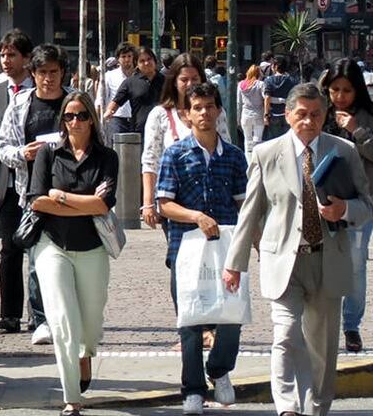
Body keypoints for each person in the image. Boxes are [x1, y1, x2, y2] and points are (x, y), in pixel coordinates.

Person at [225, 83, 373, 416]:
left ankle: (315, 408)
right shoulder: (267, 153)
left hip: (327, 261)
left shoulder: (344, 151)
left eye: (316, 115)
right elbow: (250, 211)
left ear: (325, 116)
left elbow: (366, 204)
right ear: (288, 115)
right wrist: (234, 263)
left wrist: (344, 210)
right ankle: (288, 407)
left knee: (321, 350)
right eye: (301, 114)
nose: (308, 122)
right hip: (283, 262)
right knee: (286, 335)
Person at [155, 83, 248, 414]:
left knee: (232, 316)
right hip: (185, 250)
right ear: (186, 114)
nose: (204, 113)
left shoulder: (235, 157)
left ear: (219, 110)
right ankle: (192, 389)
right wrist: (195, 216)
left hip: (227, 251)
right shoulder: (175, 155)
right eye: (197, 107)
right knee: (190, 322)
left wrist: (256, 240)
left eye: (210, 106)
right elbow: (163, 203)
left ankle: (220, 368)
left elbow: (244, 205)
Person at [28, 92, 118, 416]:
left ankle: (85, 354)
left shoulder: (108, 157)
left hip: (93, 249)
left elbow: (103, 204)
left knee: (90, 327)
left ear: (92, 118)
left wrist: (61, 197)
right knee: (64, 321)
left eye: (81, 115)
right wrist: (82, 203)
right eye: (68, 116)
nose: (75, 122)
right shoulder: (49, 155)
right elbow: (37, 200)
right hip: (52, 247)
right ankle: (71, 400)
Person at [0, 43, 74, 344]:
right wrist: (22, 154)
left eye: (53, 72)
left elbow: (98, 140)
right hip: (31, 193)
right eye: (42, 73)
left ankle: (65, 312)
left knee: (69, 255)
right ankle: (40, 318)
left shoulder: (74, 104)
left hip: (71, 193)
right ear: (33, 74)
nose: (48, 79)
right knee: (37, 255)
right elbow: (3, 148)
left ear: (63, 73)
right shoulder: (20, 106)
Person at [319, 58, 373, 353]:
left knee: (354, 264)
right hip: (322, 198)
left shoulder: (366, 116)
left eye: (346, 90)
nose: (340, 96)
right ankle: (322, 322)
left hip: (358, 204)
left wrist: (357, 130)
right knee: (319, 262)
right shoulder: (320, 113)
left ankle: (351, 325)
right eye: (334, 90)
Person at [142, 53, 230, 232]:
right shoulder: (160, 115)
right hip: (177, 204)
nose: (190, 84)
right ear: (174, 81)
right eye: (184, 79)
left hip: (216, 202)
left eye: (195, 79)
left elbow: (226, 151)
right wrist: (148, 203)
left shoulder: (216, 113)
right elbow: (151, 161)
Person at [0, 29, 35, 334]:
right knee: (10, 248)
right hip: (6, 181)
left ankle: (39, 313)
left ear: (27, 59)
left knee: (39, 251)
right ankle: (10, 313)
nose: (5, 60)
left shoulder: (41, 90)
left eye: (12, 54)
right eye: (3, 54)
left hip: (38, 184)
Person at [104, 46, 165, 139]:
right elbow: (116, 101)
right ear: (136, 63)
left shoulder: (166, 81)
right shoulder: (130, 82)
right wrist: (109, 112)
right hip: (140, 131)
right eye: (142, 61)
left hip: (163, 129)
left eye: (149, 59)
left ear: (155, 60)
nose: (147, 63)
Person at [96, 42, 137, 137]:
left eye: (129, 56)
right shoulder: (109, 76)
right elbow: (100, 101)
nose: (127, 59)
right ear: (118, 59)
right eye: (123, 56)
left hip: (135, 120)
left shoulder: (139, 77)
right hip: (116, 120)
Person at [263, 55, 297, 141]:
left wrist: (266, 115)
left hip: (274, 114)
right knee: (288, 139)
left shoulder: (268, 80)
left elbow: (267, 98)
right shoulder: (291, 80)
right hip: (288, 114)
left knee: (275, 140)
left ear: (275, 66)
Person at [237, 64, 266, 160]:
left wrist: (238, 118)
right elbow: (265, 98)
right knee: (258, 139)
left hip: (245, 115)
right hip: (258, 114)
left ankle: (248, 161)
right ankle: (256, 160)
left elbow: (239, 102)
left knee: (247, 139)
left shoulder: (241, 84)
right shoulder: (260, 84)